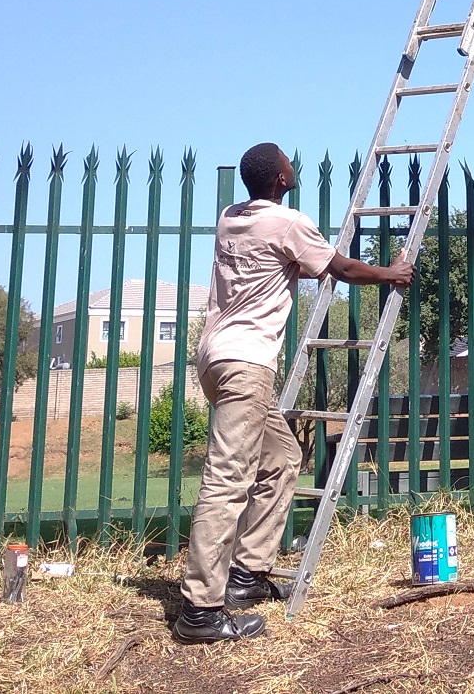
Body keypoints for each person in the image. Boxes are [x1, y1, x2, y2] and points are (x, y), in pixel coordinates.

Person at [172, 142, 415, 644]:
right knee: (226, 480)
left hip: (215, 359)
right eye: (287, 161)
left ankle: (246, 574)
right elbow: (338, 268)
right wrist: (391, 274)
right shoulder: (286, 223)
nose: (292, 165)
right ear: (280, 179)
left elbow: (301, 264)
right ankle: (200, 608)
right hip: (246, 365)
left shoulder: (230, 219)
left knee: (281, 458)